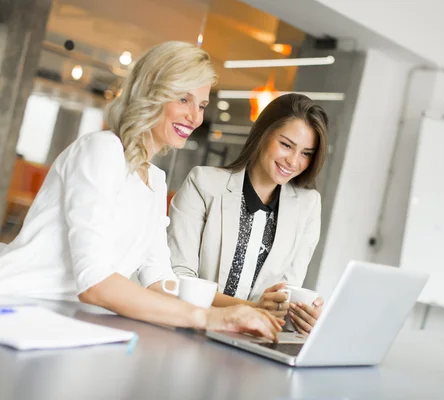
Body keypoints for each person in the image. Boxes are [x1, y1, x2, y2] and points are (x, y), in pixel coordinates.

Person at [0, 41, 281, 340]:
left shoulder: (155, 181)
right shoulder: (102, 149)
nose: (195, 117)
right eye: (183, 99)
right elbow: (95, 283)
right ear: (153, 94)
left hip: (67, 321)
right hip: (18, 307)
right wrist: (211, 318)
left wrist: (247, 309)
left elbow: (160, 280)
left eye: (201, 105)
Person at [167, 93, 328, 335]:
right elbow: (180, 281)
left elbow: (287, 291)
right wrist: (251, 309)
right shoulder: (204, 183)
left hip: (253, 345)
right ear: (263, 134)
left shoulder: (308, 206)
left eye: (306, 153)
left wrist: (303, 317)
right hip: (191, 330)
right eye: (286, 145)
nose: (294, 161)